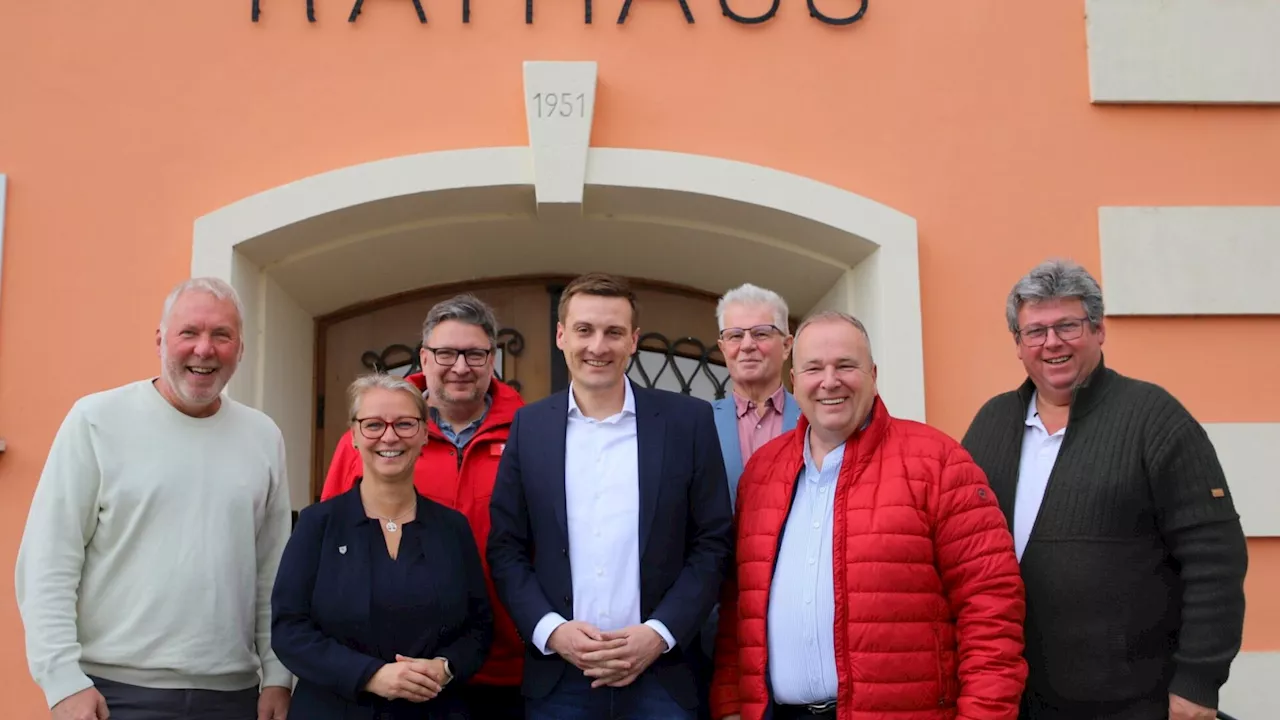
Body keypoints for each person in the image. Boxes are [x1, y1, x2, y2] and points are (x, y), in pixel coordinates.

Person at [961, 259, 1249, 720]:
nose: (1051, 342)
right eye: (1034, 331)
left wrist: (1198, 684)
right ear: (1018, 345)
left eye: (1067, 326)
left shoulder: (1154, 418)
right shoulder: (991, 424)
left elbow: (1215, 559)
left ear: (1098, 330)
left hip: (1137, 702)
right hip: (1017, 699)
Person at [711, 310, 1027, 720]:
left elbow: (991, 609)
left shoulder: (938, 462)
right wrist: (732, 708)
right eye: (813, 368)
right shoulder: (761, 473)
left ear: (873, 374)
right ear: (794, 382)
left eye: (846, 365)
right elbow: (739, 608)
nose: (829, 381)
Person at [15, 277, 293, 720]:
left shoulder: (263, 437)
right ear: (160, 340)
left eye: (221, 335)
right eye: (189, 332)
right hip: (112, 694)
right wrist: (62, 681)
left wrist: (278, 676)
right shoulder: (96, 421)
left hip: (234, 697)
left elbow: (274, 572)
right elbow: (49, 559)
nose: (205, 349)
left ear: (240, 349)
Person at [486, 272, 734, 720]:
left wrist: (660, 633)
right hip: (558, 681)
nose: (597, 346)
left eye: (613, 332)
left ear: (633, 340)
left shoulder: (687, 423)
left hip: (663, 676)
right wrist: (552, 631)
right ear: (561, 335)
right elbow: (506, 547)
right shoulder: (530, 427)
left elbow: (712, 543)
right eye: (584, 330)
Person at [321, 294, 526, 719]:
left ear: (492, 359)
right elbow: (330, 549)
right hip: (389, 670)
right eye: (446, 353)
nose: (460, 366)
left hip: (507, 665)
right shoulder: (371, 437)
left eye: (475, 354)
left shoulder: (531, 432)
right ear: (424, 357)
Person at [272, 373, 493, 719]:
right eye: (373, 424)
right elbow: (289, 630)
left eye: (405, 424)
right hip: (334, 710)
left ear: (423, 434)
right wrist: (370, 676)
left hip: (434, 710)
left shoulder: (452, 529)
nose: (389, 436)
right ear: (355, 436)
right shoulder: (318, 524)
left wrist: (445, 667)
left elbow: (480, 626)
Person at [696, 283, 802, 717]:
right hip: (713, 627)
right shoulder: (695, 426)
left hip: (799, 616)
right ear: (722, 347)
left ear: (787, 343)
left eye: (762, 332)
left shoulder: (820, 419)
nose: (747, 346)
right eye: (734, 336)